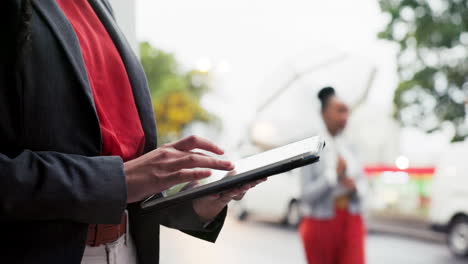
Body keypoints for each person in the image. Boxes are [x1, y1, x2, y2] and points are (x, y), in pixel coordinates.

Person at [0, 1, 265, 263]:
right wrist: (119, 181)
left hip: (129, 249)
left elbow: (126, 174)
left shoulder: (99, 6)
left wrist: (194, 203)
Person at [299, 87, 366, 264]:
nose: (345, 117)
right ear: (324, 113)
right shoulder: (311, 145)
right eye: (339, 110)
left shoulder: (351, 144)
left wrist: (355, 188)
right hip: (320, 223)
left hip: (351, 219)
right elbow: (306, 196)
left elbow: (364, 185)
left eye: (346, 111)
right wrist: (333, 176)